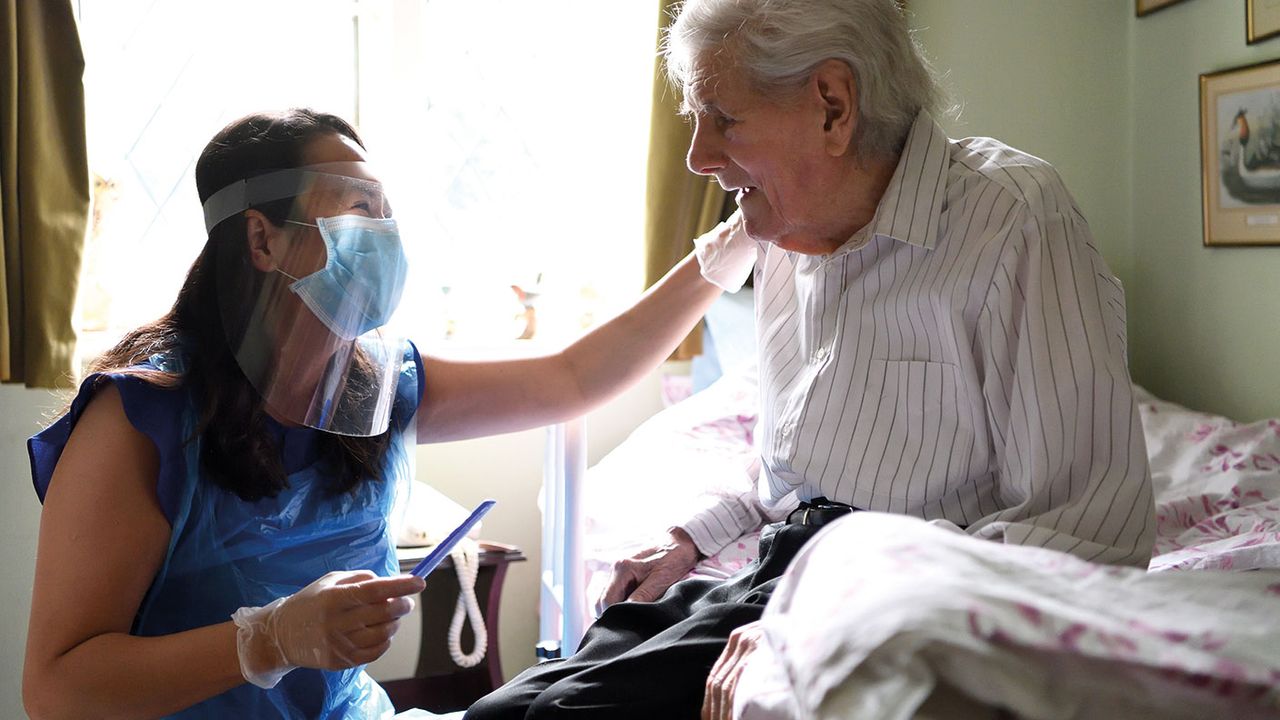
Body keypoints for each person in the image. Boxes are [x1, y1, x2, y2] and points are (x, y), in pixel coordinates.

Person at [464, 1, 1155, 718]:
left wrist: (824, 624)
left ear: (832, 104)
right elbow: (794, 481)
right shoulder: (788, 235)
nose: (698, 157)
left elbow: (1086, 533)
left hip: (897, 595)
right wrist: (688, 541)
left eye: (723, 119)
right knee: (502, 709)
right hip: (789, 569)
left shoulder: (1013, 221)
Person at [22, 109, 735, 719]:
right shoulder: (140, 419)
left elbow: (573, 378)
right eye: (359, 207)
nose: (385, 232)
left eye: (387, 211)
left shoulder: (379, 384)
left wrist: (729, 248)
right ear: (262, 239)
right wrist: (265, 640)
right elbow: (56, 687)